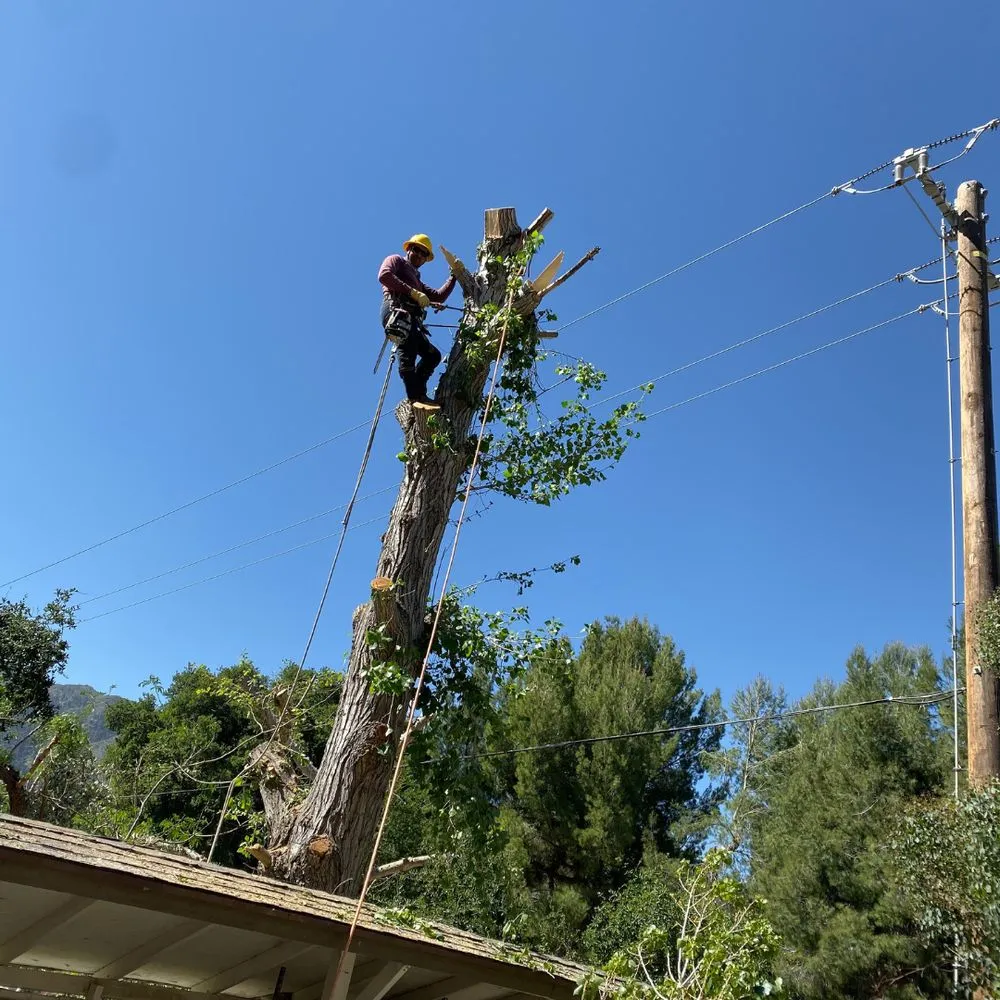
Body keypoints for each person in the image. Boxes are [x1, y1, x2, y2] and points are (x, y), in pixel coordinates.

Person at [378, 234, 457, 410]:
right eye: (417, 251)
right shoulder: (396, 260)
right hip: (396, 312)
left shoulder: (417, 281)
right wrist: (413, 293)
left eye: (424, 254)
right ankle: (415, 398)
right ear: (409, 249)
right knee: (408, 350)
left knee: (433, 356)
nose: (420, 256)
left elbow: (439, 296)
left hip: (411, 320)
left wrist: (454, 277)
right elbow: (384, 275)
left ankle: (419, 393)